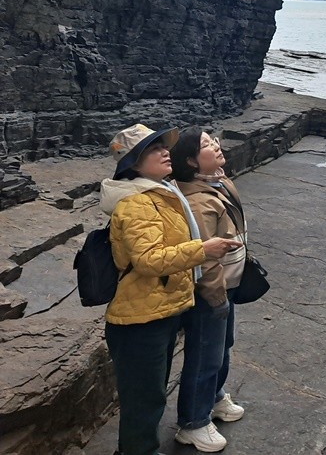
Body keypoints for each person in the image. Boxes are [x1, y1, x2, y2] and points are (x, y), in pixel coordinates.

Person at [100, 123, 241, 455]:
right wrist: (203, 251)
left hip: (157, 310)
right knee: (144, 398)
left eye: (163, 146)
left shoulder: (163, 191)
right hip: (138, 318)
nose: (165, 151)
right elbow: (148, 260)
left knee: (151, 393)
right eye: (152, 149)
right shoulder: (137, 203)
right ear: (133, 163)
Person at [169, 128, 247, 452]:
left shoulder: (215, 184)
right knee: (204, 356)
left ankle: (214, 397)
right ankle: (193, 423)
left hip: (227, 286)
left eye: (214, 139)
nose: (216, 145)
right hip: (211, 291)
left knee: (222, 347)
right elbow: (205, 260)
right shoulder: (199, 203)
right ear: (190, 161)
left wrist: (215, 172)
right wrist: (215, 298)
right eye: (206, 144)